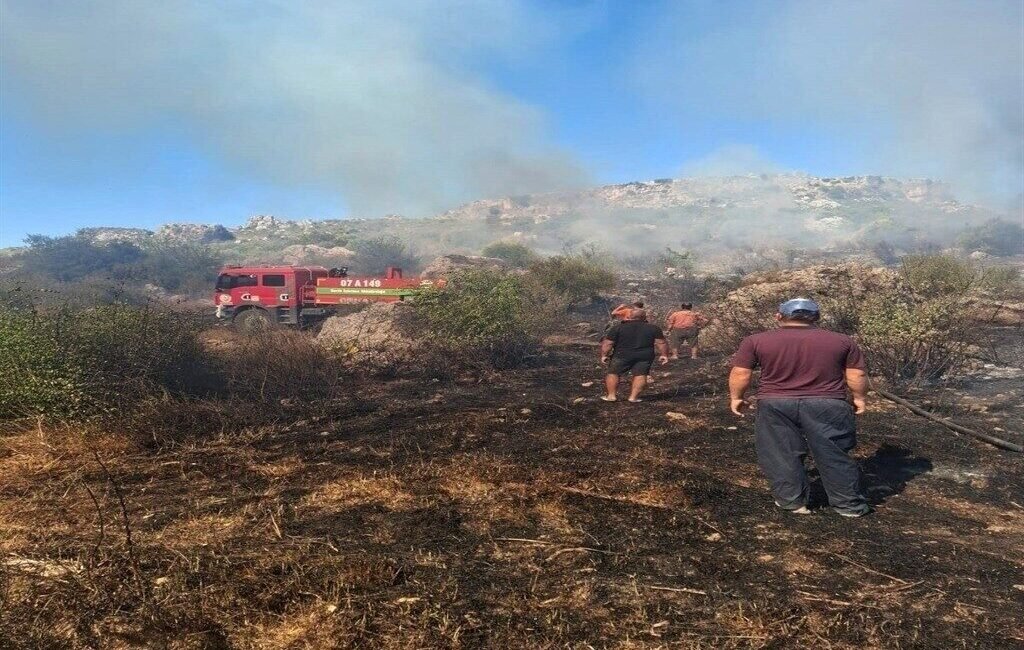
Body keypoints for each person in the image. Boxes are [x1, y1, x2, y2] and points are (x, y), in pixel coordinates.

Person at [728, 298, 871, 517]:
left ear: (779, 316)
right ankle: (848, 506)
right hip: (827, 403)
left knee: (780, 452)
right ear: (817, 318)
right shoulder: (841, 341)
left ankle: (792, 502)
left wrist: (736, 397)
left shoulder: (755, 340)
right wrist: (859, 397)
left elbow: (740, 373)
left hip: (775, 403)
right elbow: (857, 374)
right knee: (834, 452)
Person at [601, 309, 669, 403]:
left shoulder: (618, 328)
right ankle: (633, 398)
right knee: (641, 374)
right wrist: (664, 355)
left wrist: (604, 355)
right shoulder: (653, 328)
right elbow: (661, 343)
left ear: (629, 317)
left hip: (621, 355)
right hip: (644, 355)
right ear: (645, 317)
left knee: (613, 373)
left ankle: (611, 396)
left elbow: (608, 343)